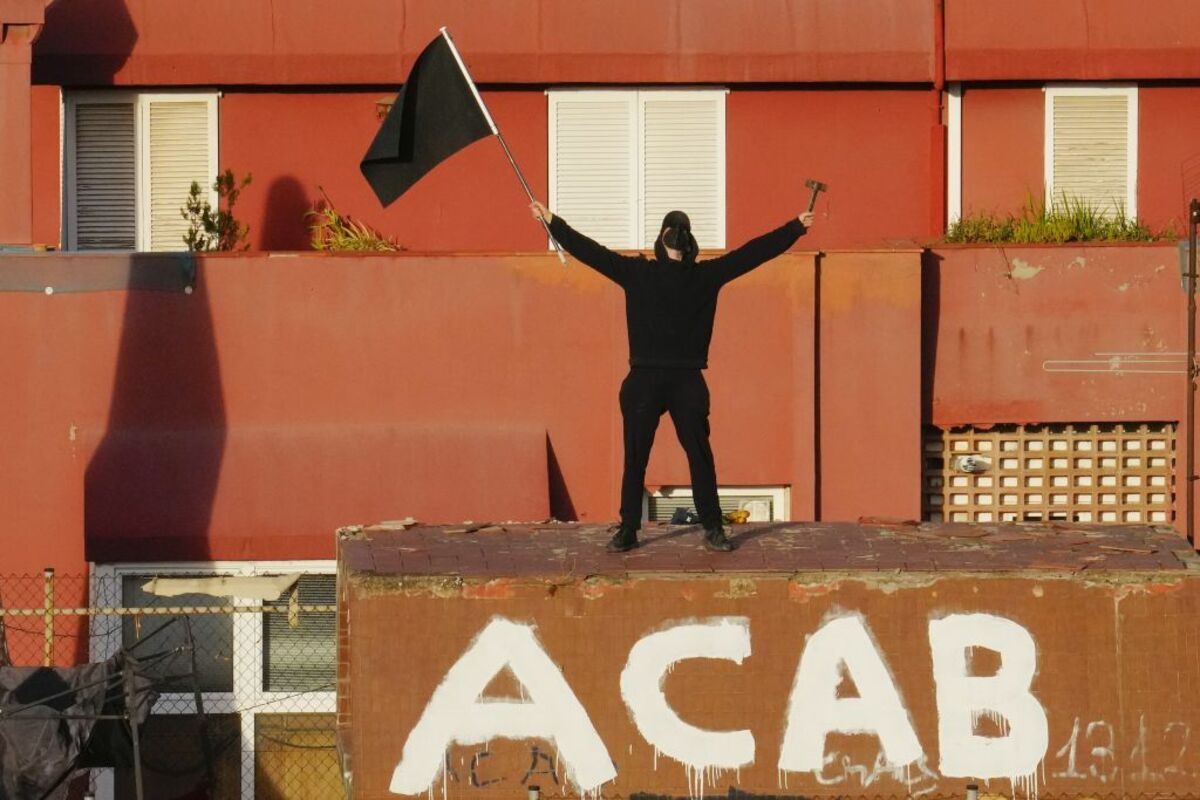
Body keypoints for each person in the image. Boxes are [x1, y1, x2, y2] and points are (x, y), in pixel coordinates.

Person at [530, 200, 815, 552]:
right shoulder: (705, 276)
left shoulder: (639, 273)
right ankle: (712, 529)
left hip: (645, 380)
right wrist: (795, 227)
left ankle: (629, 530)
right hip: (686, 381)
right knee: (699, 455)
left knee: (636, 458)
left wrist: (553, 222)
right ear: (690, 244)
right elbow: (753, 253)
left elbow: (591, 252)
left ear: (661, 242)